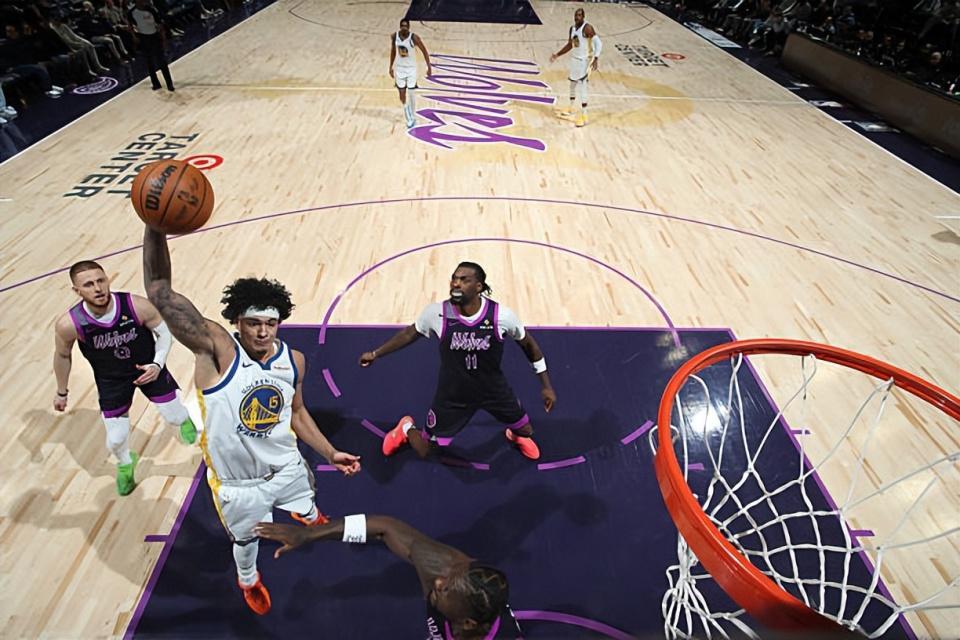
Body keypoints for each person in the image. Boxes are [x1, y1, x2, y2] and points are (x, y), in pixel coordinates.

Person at [141, 226, 362, 615]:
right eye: (253, 323)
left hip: (286, 465)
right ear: (237, 322)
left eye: (270, 324)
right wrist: (155, 226)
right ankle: (248, 579)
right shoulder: (217, 351)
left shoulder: (293, 361)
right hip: (239, 484)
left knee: (306, 497)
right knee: (246, 540)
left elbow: (296, 412)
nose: (262, 332)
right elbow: (160, 291)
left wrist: (330, 452)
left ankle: (306, 513)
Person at [359, 262, 556, 461]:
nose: (456, 283)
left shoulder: (501, 316)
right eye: (454, 278)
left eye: (464, 280)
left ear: (478, 287)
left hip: (493, 389)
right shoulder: (436, 313)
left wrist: (546, 385)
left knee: (526, 430)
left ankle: (514, 434)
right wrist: (376, 353)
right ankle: (406, 428)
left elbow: (529, 345)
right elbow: (409, 334)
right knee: (426, 451)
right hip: (454, 394)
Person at [53, 261, 196, 496]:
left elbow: (163, 333)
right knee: (116, 440)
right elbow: (62, 355)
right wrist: (62, 392)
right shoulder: (69, 324)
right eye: (88, 285)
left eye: (101, 280)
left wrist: (157, 364)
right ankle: (126, 463)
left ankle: (184, 420)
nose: (98, 288)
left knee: (174, 416)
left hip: (149, 369)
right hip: (111, 381)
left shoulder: (136, 305)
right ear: (76, 291)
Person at [254, 515, 522, 639]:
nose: (440, 581)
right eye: (450, 576)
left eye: (447, 589)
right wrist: (310, 534)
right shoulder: (444, 570)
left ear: (468, 622)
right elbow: (385, 528)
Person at [550, 8, 602, 127]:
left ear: (583, 17)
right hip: (575, 60)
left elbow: (598, 43)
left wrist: (596, 58)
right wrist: (557, 54)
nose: (577, 17)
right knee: (572, 85)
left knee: (582, 87)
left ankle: (584, 116)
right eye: (575, 15)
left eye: (579, 15)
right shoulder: (572, 29)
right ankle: (571, 107)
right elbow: (570, 45)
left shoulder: (587, 28)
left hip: (584, 61)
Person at [389, 17, 432, 129]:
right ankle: (407, 110)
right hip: (400, 69)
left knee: (411, 93)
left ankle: (411, 117)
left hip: (411, 70)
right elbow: (393, 51)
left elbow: (424, 51)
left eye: (406, 26)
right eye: (402, 26)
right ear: (400, 26)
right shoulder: (394, 37)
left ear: (409, 27)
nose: (404, 27)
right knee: (402, 95)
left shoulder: (414, 38)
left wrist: (429, 66)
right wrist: (390, 66)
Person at [129, 0, 174, 92]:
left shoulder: (151, 10)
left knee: (162, 61)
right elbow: (130, 25)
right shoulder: (131, 12)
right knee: (149, 62)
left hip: (154, 36)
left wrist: (163, 38)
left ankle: (169, 84)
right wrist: (134, 36)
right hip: (143, 37)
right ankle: (156, 84)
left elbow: (160, 24)